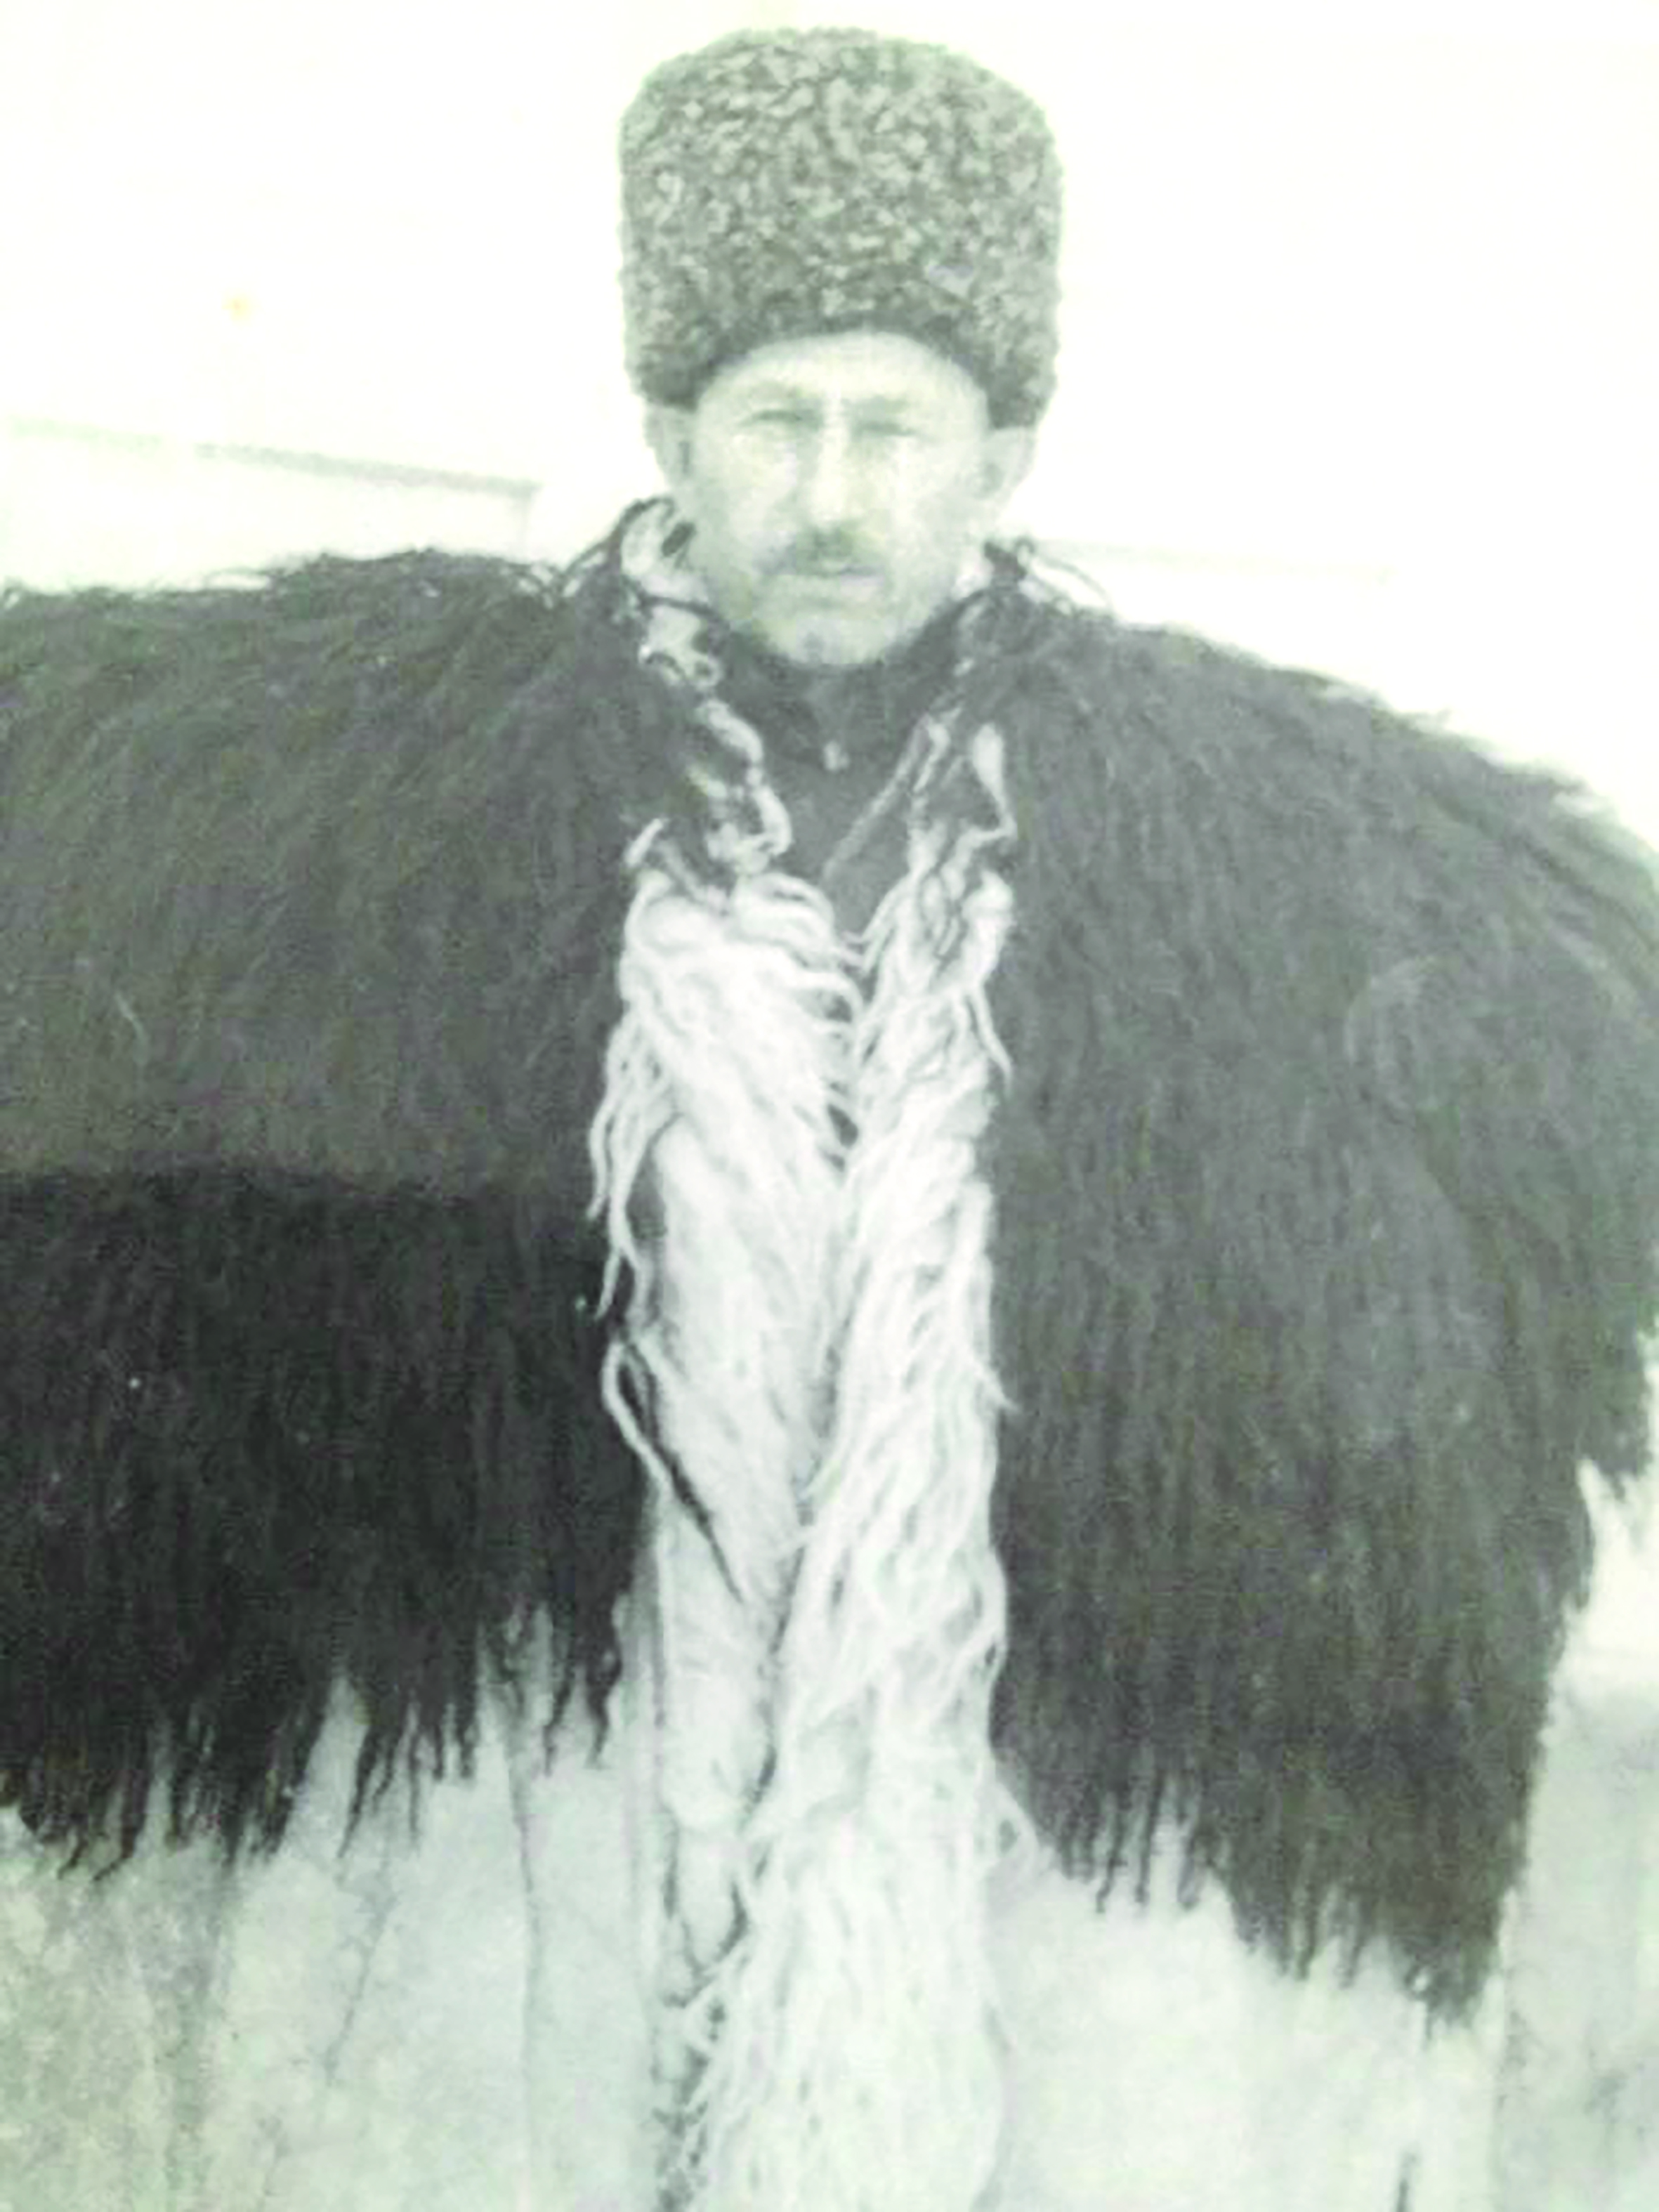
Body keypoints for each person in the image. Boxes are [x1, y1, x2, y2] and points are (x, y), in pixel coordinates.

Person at [1, 26, 1656, 2212]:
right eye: (778, 421)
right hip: (561, 1811)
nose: (834, 494)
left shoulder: (1247, 870)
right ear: (673, 436)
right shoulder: (413, 804)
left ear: (1004, 454)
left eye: (896, 428)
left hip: (988, 1845)